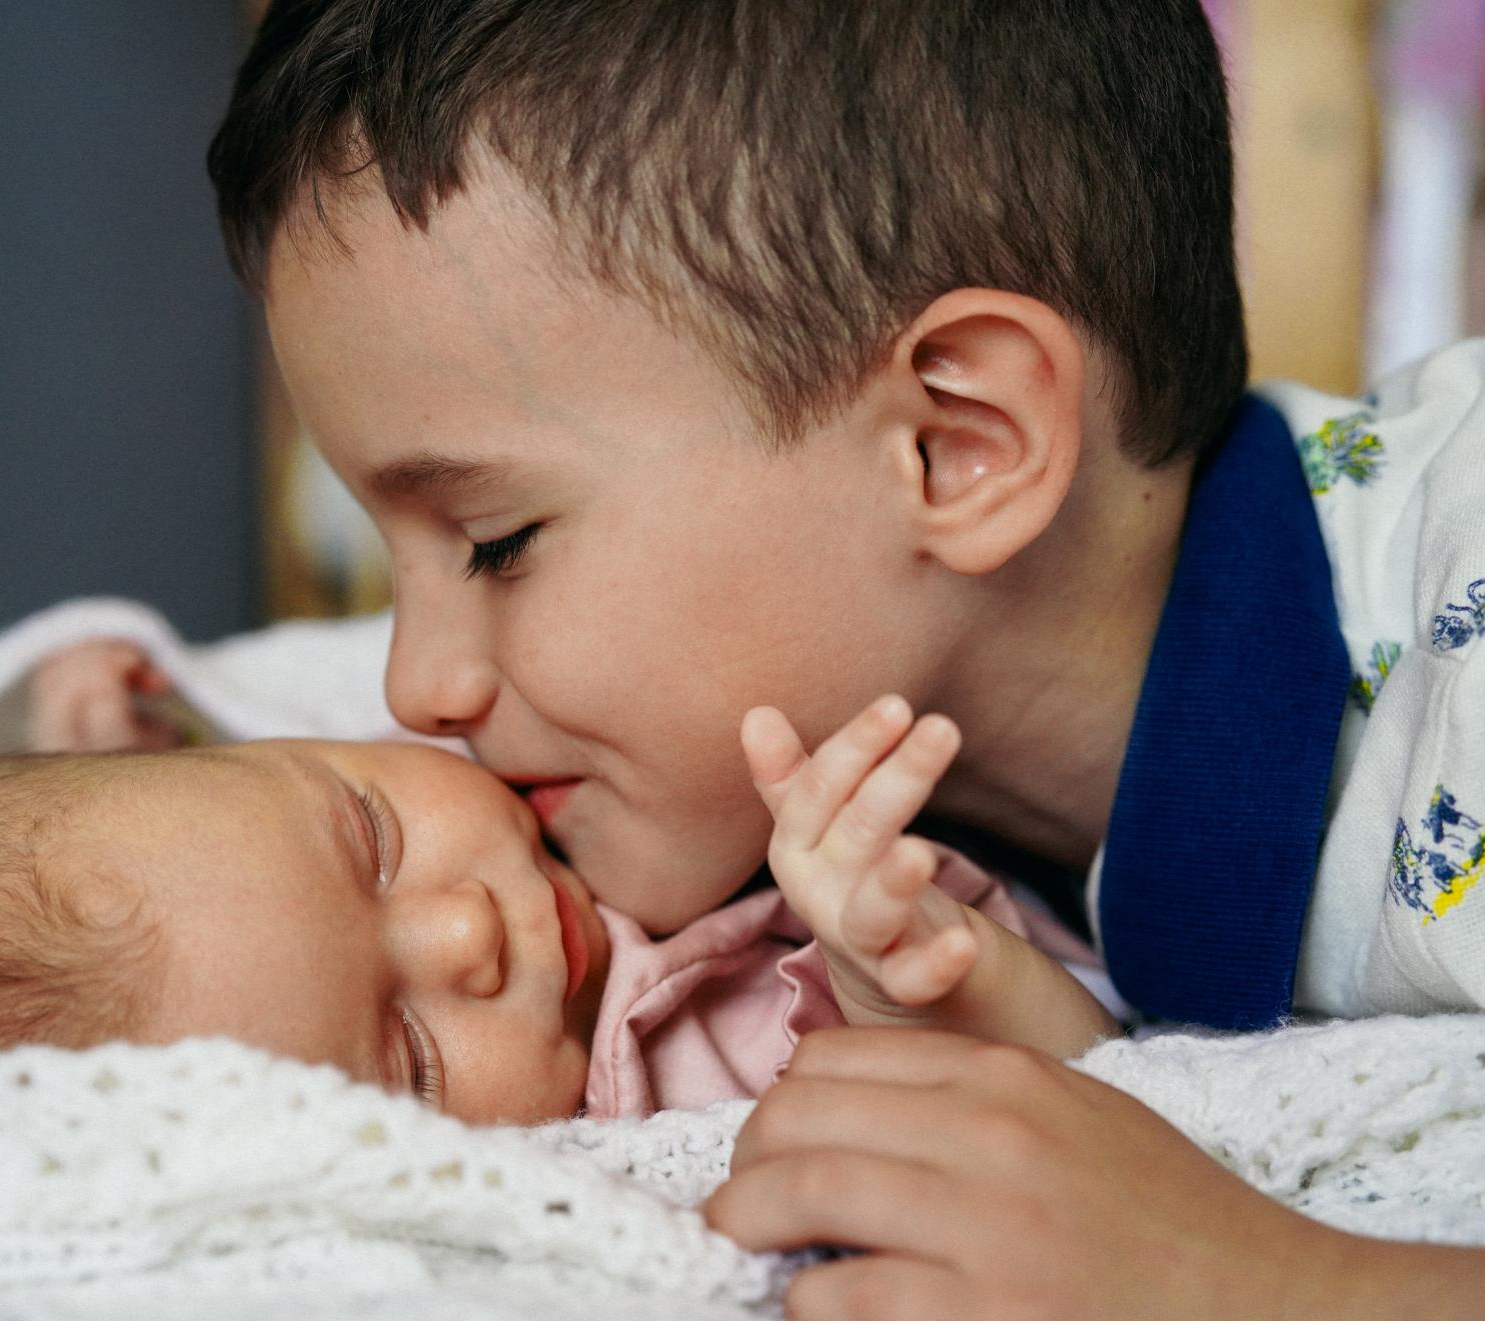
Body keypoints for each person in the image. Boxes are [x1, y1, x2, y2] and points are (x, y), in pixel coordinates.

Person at [198, 0, 1485, 1312]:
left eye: (495, 541)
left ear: (955, 444)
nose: (415, 686)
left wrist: (1269, 1285)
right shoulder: (862, 728)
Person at [0, 693, 1117, 1125]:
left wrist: (152, 704)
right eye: (407, 1055)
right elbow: (1102, 1102)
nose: (467, 932)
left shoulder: (520, 745)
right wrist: (909, 978)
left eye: (372, 837)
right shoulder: (695, 1103)